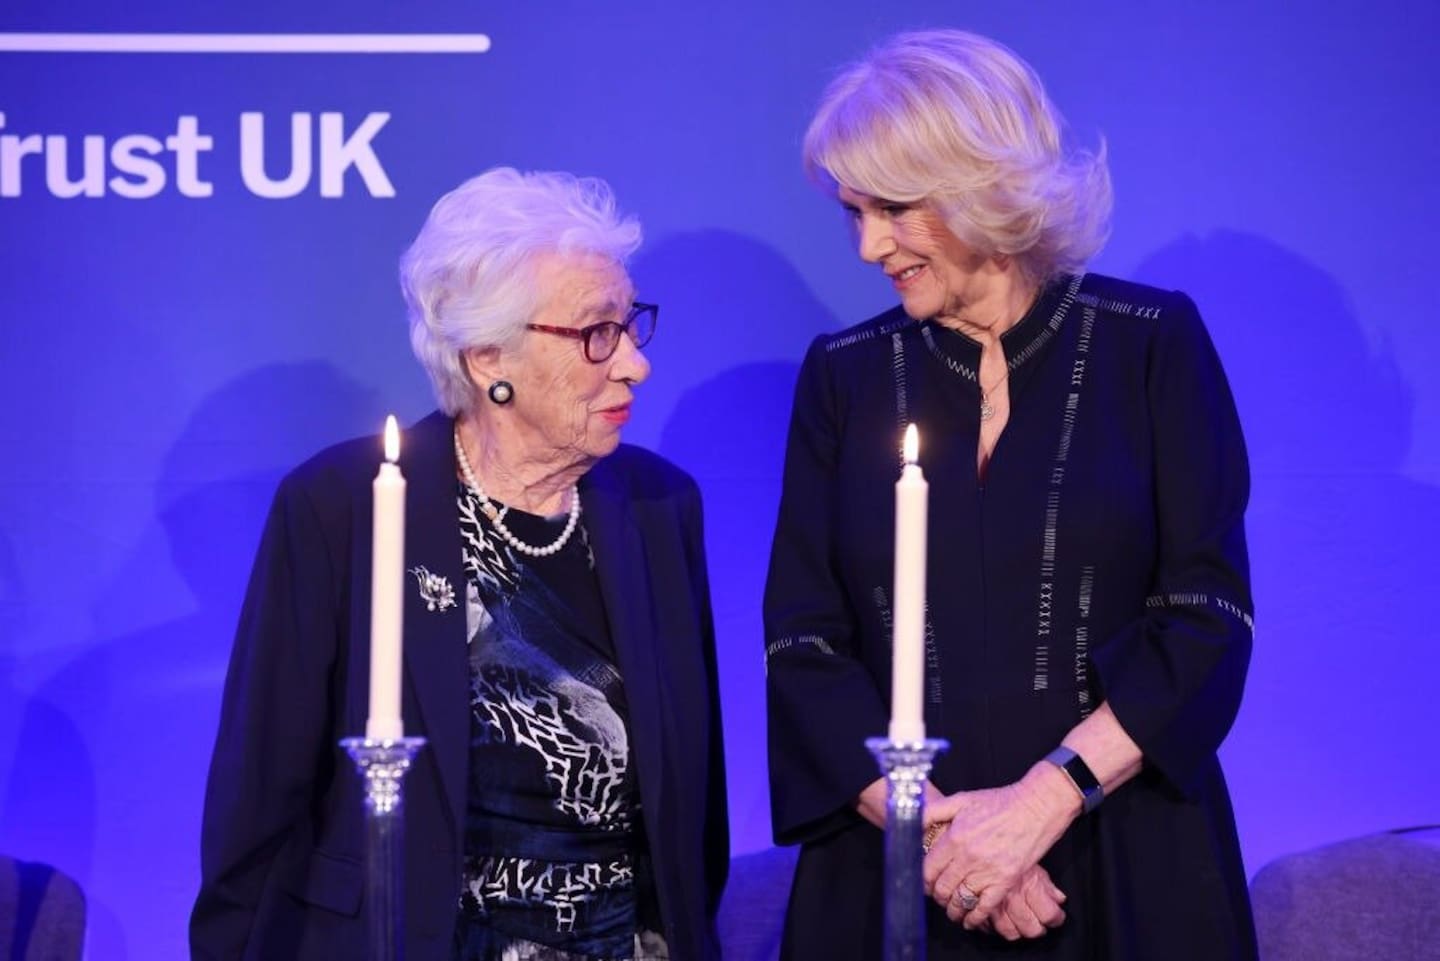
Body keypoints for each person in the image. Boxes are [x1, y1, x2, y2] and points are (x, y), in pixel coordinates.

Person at [764, 29, 1255, 960]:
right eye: (853, 213)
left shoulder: (1150, 342)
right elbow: (802, 642)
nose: (869, 246)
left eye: (895, 208)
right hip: (898, 867)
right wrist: (947, 836)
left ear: (982, 184)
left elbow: (1207, 618)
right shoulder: (844, 375)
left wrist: (1038, 805)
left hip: (1122, 863)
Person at [191, 168, 728, 961]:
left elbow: (694, 813)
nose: (633, 365)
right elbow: (258, 802)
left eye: (628, 325)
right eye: (595, 334)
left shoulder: (659, 507)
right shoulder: (345, 507)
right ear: (485, 358)